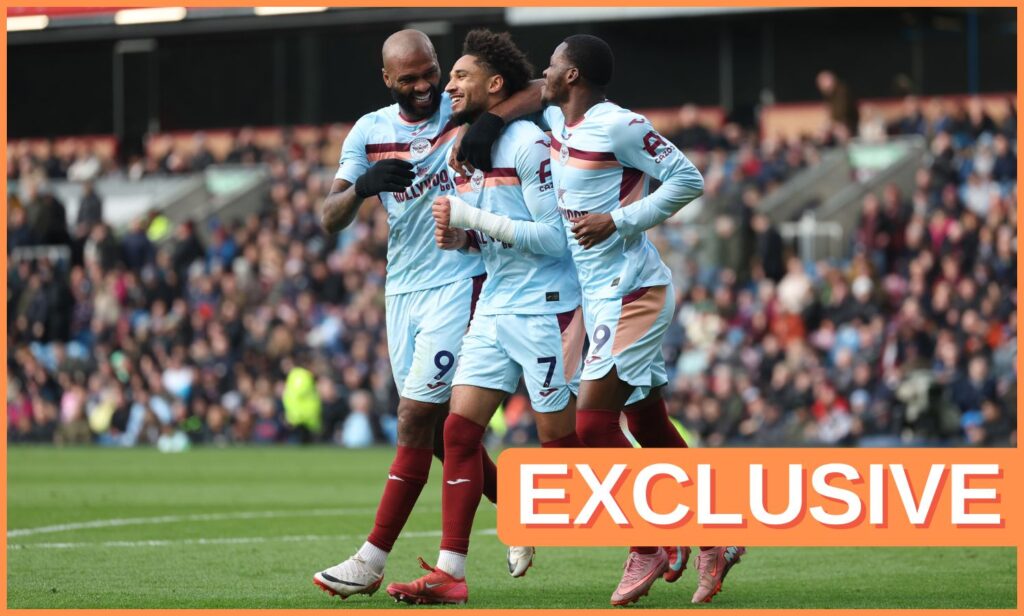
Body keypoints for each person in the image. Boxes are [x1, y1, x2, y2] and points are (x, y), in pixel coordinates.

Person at [458, 34, 743, 606]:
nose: (546, 69)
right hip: (596, 296)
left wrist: (619, 220)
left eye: (556, 63)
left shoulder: (620, 126)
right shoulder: (560, 123)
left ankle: (651, 540)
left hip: (633, 290)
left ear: (575, 77)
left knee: (591, 427)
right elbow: (525, 93)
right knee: (648, 425)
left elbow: (688, 179)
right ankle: (716, 531)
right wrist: (483, 130)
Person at [312, 29, 533, 600]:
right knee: (435, 431)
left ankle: (371, 558)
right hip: (403, 290)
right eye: (408, 79)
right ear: (387, 79)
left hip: (461, 280)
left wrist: (489, 122)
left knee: (415, 418)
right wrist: (361, 187)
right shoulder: (370, 131)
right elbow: (328, 216)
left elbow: (538, 89)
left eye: (429, 72)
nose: (423, 86)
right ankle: (522, 509)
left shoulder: (462, 107)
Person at [385, 29, 584, 606]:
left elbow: (555, 238)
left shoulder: (526, 141)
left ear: (494, 86)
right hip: (496, 306)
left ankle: (668, 532)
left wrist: (475, 219)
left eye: (460, 76)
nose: (447, 84)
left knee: (566, 451)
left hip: (544, 310)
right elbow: (497, 232)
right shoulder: (467, 145)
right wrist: (465, 239)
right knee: (458, 431)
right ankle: (452, 570)